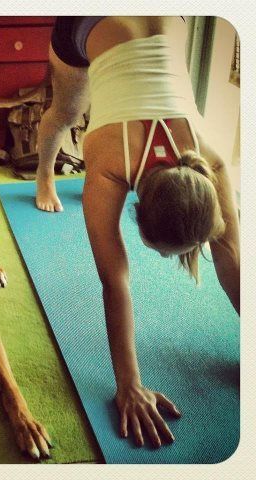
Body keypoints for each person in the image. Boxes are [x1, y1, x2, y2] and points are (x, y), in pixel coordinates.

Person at [35, 16, 240, 448]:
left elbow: (233, 262)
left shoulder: (210, 158)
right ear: (137, 209)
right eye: (163, 252)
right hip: (87, 22)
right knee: (66, 112)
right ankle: (43, 176)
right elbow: (115, 281)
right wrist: (128, 384)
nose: (167, 259)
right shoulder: (107, 157)